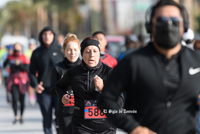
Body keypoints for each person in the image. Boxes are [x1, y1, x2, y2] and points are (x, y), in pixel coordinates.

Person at [97, 1, 200, 134]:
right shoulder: (133, 61)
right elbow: (105, 100)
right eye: (161, 20)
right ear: (150, 26)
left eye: (174, 21)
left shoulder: (197, 61)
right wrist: (133, 127)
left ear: (184, 26)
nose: (168, 26)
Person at [55, 37, 123, 134]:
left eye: (95, 51)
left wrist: (103, 89)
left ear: (99, 53)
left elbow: (120, 102)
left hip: (107, 127)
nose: (92, 55)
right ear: (82, 53)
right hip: (82, 127)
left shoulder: (109, 72)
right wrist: (62, 96)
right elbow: (59, 86)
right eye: (87, 51)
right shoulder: (73, 73)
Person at [29, 26, 64, 134]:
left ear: (54, 35)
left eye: (50, 34)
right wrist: (35, 85)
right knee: (46, 117)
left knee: (60, 117)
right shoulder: (37, 52)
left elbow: (69, 67)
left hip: (59, 90)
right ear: (41, 36)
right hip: (44, 91)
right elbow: (31, 72)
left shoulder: (61, 50)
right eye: (45, 34)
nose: (47, 36)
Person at [50, 33, 81, 134]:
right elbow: (52, 92)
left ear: (79, 50)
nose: (72, 53)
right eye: (69, 50)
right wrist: (62, 83)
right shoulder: (58, 68)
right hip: (65, 113)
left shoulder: (85, 68)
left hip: (83, 113)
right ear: (64, 51)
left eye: (75, 50)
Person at [4, 43, 30, 124]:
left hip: (22, 81)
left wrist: (20, 64)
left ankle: (21, 116)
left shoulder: (24, 57)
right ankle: (16, 116)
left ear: (21, 48)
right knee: (14, 99)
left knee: (22, 99)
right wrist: (8, 70)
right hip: (13, 81)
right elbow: (4, 65)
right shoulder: (10, 57)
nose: (16, 48)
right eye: (15, 47)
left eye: (18, 47)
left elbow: (27, 69)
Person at [24, 38, 37, 105]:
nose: (31, 46)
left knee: (36, 83)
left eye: (32, 44)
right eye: (30, 44)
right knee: (30, 84)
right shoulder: (26, 52)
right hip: (28, 70)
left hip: (37, 71)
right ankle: (31, 97)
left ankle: (35, 96)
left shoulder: (37, 51)